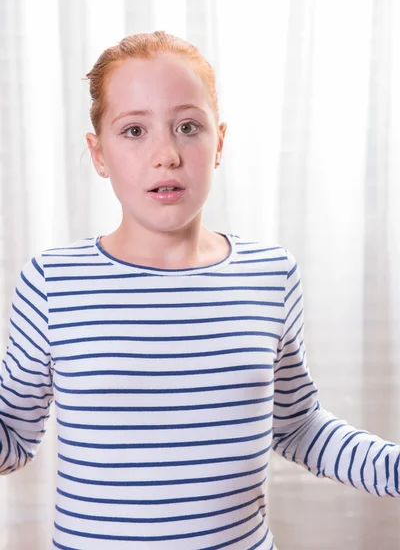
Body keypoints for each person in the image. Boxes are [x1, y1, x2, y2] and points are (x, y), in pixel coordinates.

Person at [0, 31, 398, 550]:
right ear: (98, 153)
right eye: (134, 130)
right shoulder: (53, 282)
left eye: (188, 127)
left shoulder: (270, 274)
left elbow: (299, 428)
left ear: (220, 143)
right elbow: (12, 438)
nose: (166, 154)